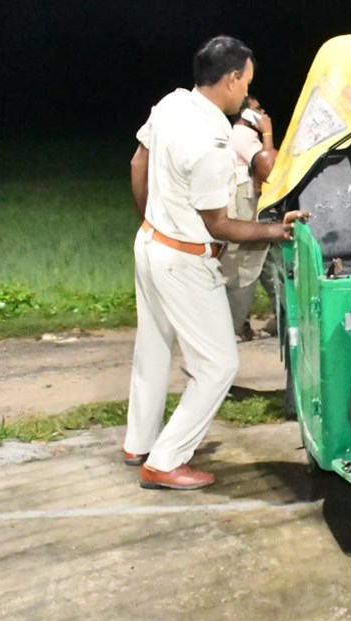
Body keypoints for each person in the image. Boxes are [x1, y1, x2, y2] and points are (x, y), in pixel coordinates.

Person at [125, 36, 309, 490]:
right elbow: (220, 226)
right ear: (231, 79)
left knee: (152, 348)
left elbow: (137, 161)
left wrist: (153, 221)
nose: (247, 92)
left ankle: (139, 443)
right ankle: (164, 461)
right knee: (218, 366)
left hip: (149, 244)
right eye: (246, 82)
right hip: (183, 260)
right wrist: (276, 230)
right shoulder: (211, 141)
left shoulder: (171, 104)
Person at [220, 95, 278, 341]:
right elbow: (268, 166)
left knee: (266, 262)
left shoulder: (242, 136)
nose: (262, 112)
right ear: (245, 113)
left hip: (250, 203)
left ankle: (280, 316)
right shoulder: (242, 136)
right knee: (246, 263)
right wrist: (267, 133)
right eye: (257, 109)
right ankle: (233, 327)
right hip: (245, 207)